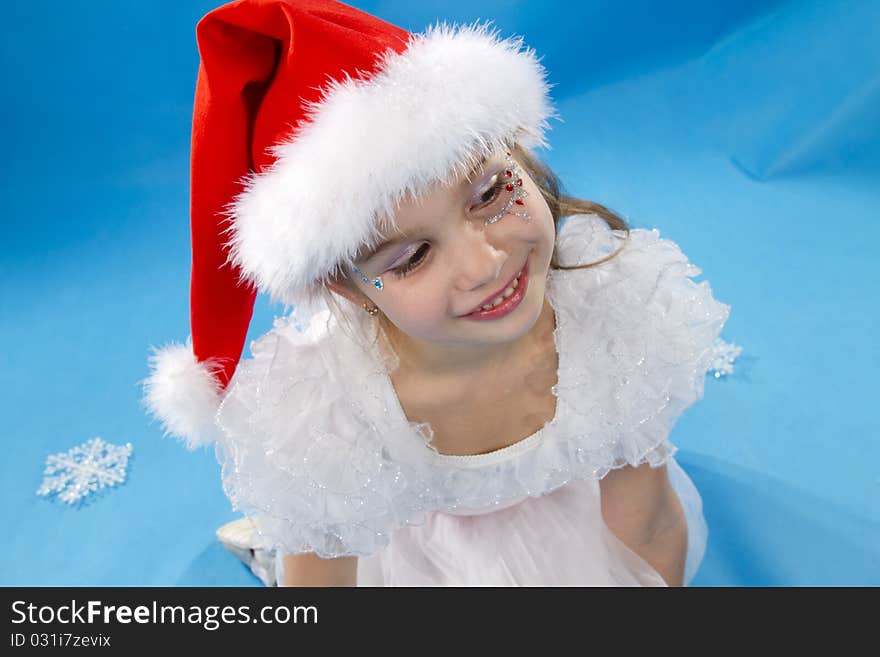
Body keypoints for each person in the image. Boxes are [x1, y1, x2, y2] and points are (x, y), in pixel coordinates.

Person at [143, 0, 731, 587]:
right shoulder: (332, 416)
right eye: (412, 256)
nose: (486, 264)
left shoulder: (610, 315)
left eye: (489, 194)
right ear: (348, 294)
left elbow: (648, 522)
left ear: (518, 158)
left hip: (566, 507)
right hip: (410, 547)